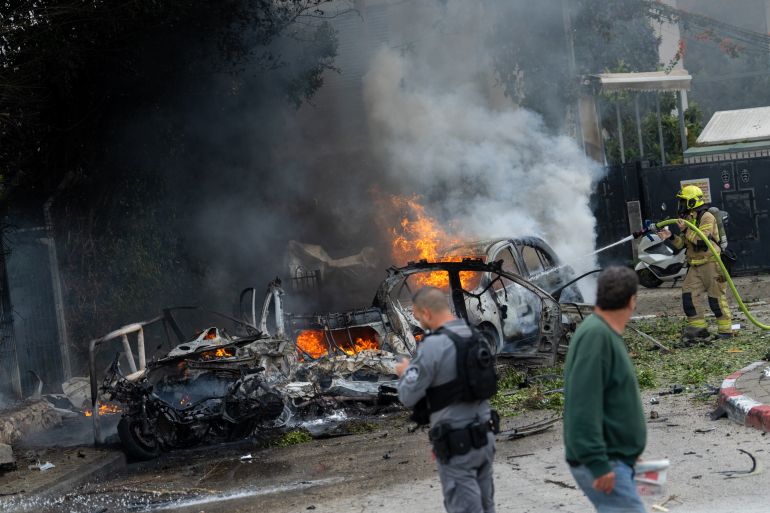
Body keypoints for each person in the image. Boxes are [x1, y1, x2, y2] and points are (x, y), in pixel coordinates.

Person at [395, 286, 496, 513]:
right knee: (486, 506)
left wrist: (405, 373)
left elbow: (408, 396)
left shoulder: (433, 345)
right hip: (485, 435)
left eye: (417, 316)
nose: (419, 322)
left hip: (458, 444)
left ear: (427, 313)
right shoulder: (474, 334)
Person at [563, 266, 647, 513]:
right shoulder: (596, 337)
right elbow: (582, 406)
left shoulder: (600, 331)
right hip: (605, 463)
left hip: (616, 459)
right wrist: (598, 463)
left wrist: (628, 453)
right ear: (632, 301)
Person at [659, 185, 733, 341]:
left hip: (712, 264)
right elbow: (682, 244)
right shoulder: (688, 219)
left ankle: (725, 331)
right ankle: (698, 329)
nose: (680, 205)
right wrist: (670, 236)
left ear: (692, 202)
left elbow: (701, 241)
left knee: (716, 299)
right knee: (688, 295)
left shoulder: (707, 217)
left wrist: (686, 230)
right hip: (695, 265)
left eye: (683, 201)